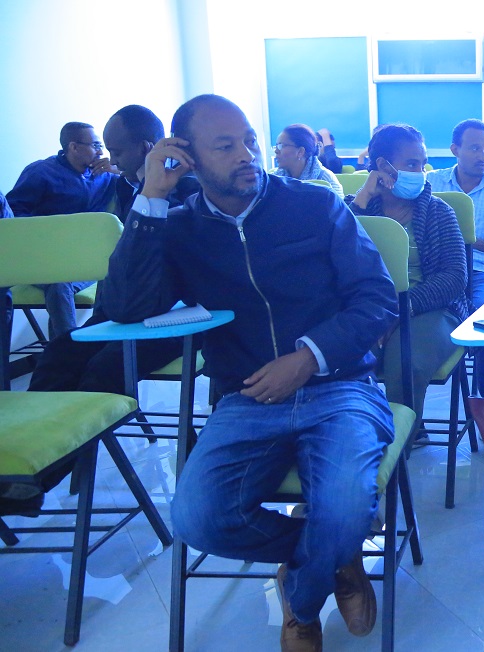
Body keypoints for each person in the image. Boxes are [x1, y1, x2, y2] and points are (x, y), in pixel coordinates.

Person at [101, 94, 398, 651]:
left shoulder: (315, 205)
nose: (246, 155)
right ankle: (335, 554)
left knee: (343, 507)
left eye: (249, 140)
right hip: (246, 397)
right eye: (225, 146)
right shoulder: (180, 228)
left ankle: (302, 604)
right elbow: (125, 308)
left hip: (339, 386)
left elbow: (377, 298)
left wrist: (307, 357)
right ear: (187, 157)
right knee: (197, 520)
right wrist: (151, 198)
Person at [29, 105, 202, 397]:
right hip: (123, 307)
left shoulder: (186, 189)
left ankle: (93, 424)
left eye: (117, 152)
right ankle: (44, 428)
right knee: (59, 355)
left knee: (104, 368)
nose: (111, 160)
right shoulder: (123, 187)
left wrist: (153, 191)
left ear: (146, 148)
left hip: (174, 312)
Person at [348, 124, 469, 419]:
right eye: (411, 164)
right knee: (345, 356)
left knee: (406, 361)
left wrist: (403, 307)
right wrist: (362, 199)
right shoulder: (357, 210)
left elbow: (455, 277)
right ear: (382, 166)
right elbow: (336, 256)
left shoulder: (439, 212)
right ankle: (360, 429)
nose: (420, 172)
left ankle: (404, 437)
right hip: (370, 310)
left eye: (422, 164)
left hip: (432, 309)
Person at [7, 121, 119, 339]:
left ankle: (104, 345)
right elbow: (13, 216)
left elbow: (139, 188)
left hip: (85, 258)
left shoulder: (106, 175)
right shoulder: (41, 172)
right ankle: (66, 351)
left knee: (116, 269)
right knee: (59, 283)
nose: (101, 152)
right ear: (73, 147)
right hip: (45, 259)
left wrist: (119, 171)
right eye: (96, 145)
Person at [428, 119, 484, 312]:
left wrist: (472, 242)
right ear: (455, 150)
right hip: (434, 269)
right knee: (427, 313)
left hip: (481, 271)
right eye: (474, 148)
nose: (483, 156)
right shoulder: (430, 183)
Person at [272, 123, 344, 196]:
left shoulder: (325, 180)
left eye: (281, 146)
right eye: (276, 146)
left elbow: (339, 204)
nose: (276, 151)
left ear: (300, 152)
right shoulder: (274, 178)